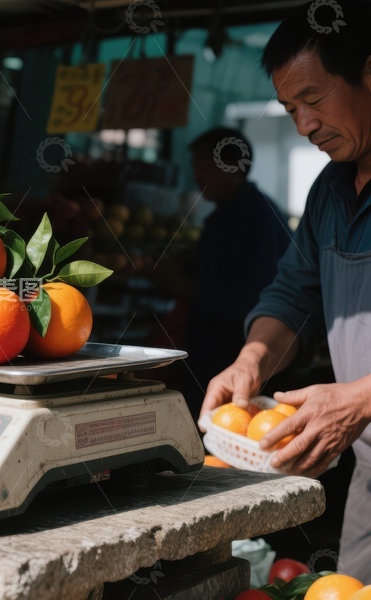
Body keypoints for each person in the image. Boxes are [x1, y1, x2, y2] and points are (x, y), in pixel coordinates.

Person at [200, 1, 371, 581]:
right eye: (289, 108)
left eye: (314, 99)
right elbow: (294, 295)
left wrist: (361, 399)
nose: (303, 126)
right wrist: (252, 361)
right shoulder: (329, 191)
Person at [148, 127, 291, 416]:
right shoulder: (229, 214)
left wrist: (174, 283)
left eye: (202, 167)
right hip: (211, 356)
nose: (196, 177)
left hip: (231, 359)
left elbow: (244, 298)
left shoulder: (253, 218)